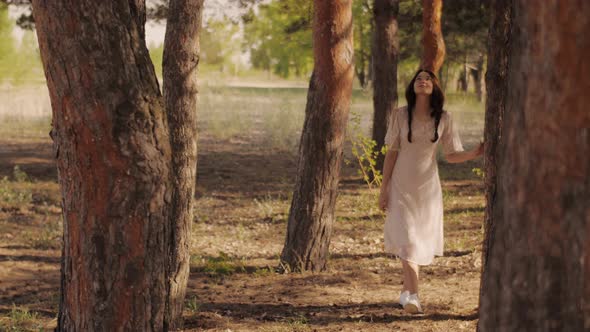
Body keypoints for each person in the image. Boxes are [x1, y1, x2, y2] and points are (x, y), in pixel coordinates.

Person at [378, 69, 484, 313]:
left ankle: (406, 292)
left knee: (417, 240)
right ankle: (414, 295)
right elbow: (391, 153)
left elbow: (451, 154)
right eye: (418, 78)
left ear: (435, 86)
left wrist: (474, 153)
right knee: (408, 239)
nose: (422, 81)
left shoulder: (445, 118)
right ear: (412, 86)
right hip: (401, 184)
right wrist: (384, 188)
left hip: (427, 189)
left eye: (427, 79)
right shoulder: (400, 115)